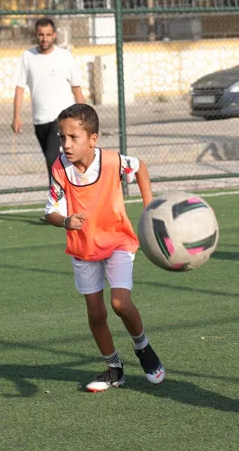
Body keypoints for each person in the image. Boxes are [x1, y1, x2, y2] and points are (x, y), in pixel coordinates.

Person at [42, 103, 165, 392]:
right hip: (83, 248)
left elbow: (140, 167)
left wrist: (150, 209)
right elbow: (50, 212)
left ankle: (144, 349)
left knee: (120, 303)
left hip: (118, 241)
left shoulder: (111, 161)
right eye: (62, 137)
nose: (66, 144)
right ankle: (114, 369)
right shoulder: (60, 168)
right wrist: (65, 221)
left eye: (74, 137)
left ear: (93, 139)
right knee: (96, 314)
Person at [13, 17, 86, 169]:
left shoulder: (64, 56)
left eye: (48, 35)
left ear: (54, 35)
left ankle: (66, 190)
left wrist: (85, 117)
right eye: (41, 35)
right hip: (40, 120)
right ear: (36, 35)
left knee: (53, 158)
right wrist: (17, 116)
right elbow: (20, 88)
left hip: (62, 118)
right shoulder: (27, 57)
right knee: (53, 162)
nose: (44, 38)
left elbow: (76, 88)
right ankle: (60, 191)